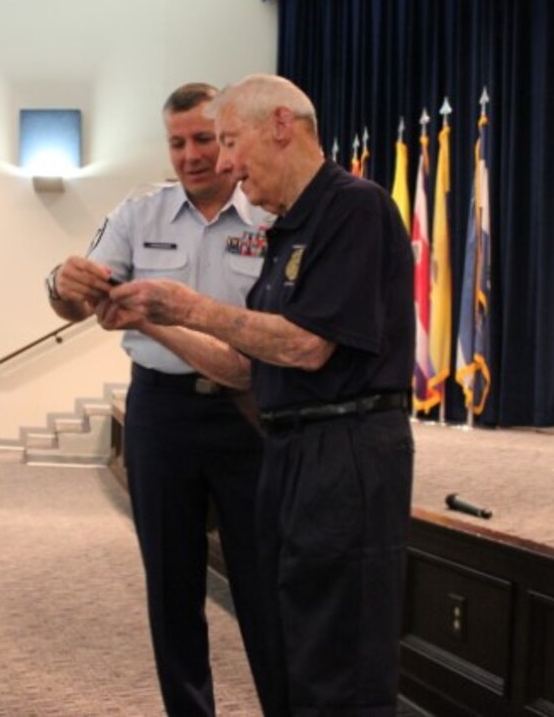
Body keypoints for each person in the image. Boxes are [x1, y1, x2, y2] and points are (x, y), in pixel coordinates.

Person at [102, 73, 416, 716]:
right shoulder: (286, 230)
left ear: (281, 124)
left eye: (229, 141)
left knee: (340, 656)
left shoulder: (353, 208)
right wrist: (156, 317)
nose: (220, 162)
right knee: (303, 642)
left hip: (346, 452)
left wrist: (188, 303)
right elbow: (245, 366)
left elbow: (308, 346)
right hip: (290, 448)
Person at [44, 83, 274, 716]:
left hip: (247, 416)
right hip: (162, 413)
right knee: (172, 587)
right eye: (177, 142)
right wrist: (64, 284)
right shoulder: (138, 214)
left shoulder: (269, 215)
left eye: (204, 139)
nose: (191, 155)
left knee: (263, 585)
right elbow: (75, 298)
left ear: (228, 140)